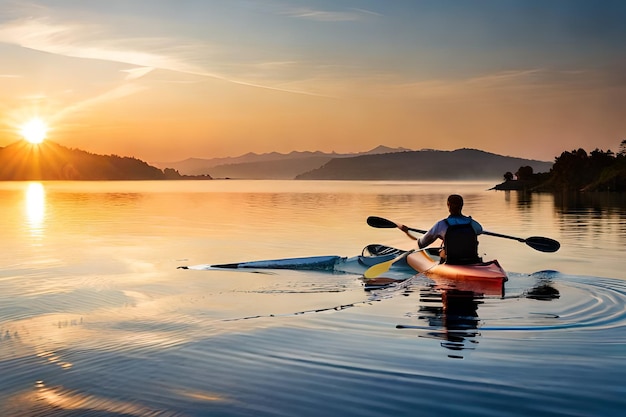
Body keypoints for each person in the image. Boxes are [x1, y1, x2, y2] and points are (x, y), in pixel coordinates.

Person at [402, 194, 483, 264]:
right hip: (472, 260)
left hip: (452, 261)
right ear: (462, 205)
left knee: (441, 251)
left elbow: (422, 243)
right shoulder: (472, 223)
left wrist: (407, 233)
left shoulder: (441, 225)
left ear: (448, 205)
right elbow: (480, 230)